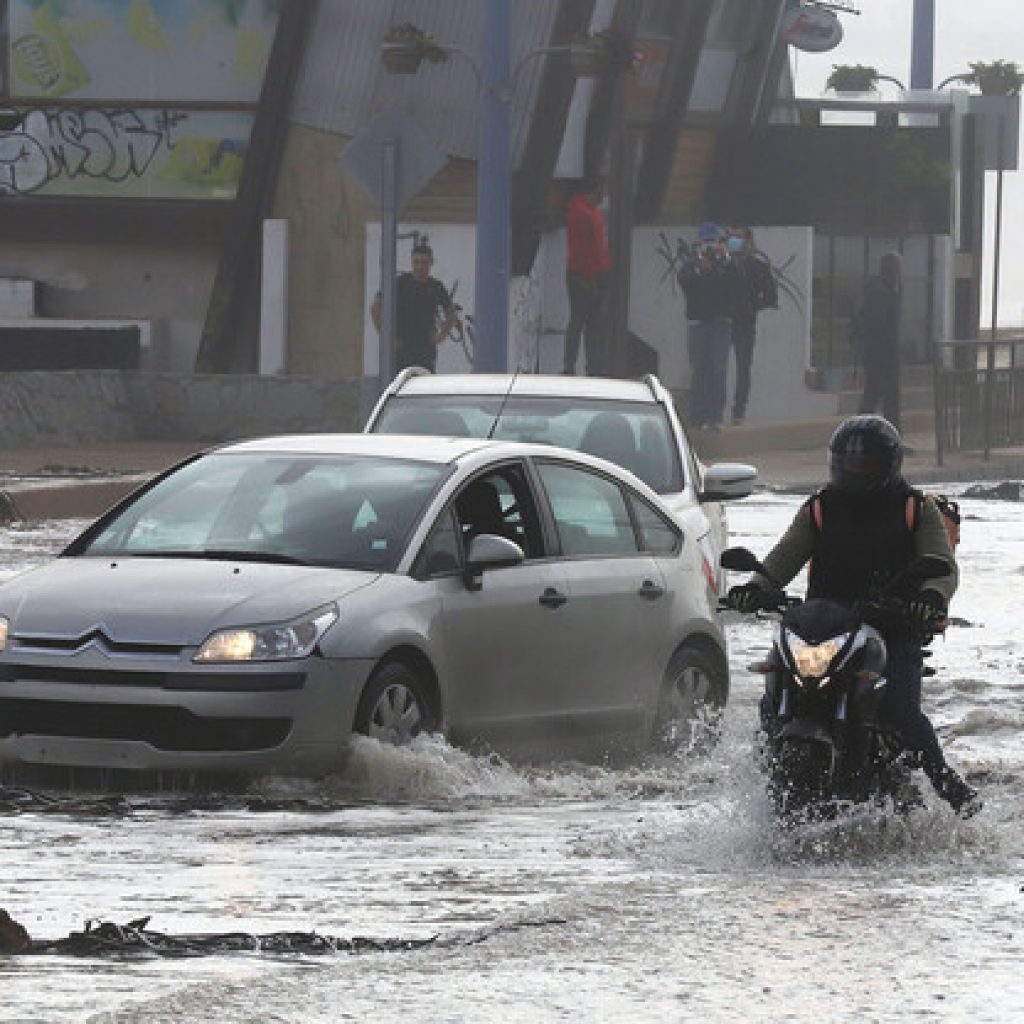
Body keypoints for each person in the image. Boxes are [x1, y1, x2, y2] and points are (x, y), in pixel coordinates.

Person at [727, 414, 981, 817]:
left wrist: (930, 599)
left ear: (888, 465)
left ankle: (946, 782)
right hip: (823, 626)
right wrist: (755, 588)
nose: (855, 470)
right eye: (848, 463)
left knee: (901, 709)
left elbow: (941, 564)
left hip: (892, 626)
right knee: (774, 690)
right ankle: (760, 780)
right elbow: (783, 557)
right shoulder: (820, 508)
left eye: (864, 464)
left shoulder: (915, 508)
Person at [678, 222, 737, 430]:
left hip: (721, 324)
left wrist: (724, 259)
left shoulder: (727, 265)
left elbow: (735, 283)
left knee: (718, 370)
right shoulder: (691, 264)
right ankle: (697, 416)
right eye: (706, 243)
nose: (710, 247)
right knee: (699, 369)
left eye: (714, 243)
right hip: (698, 324)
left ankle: (715, 416)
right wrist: (700, 268)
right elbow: (685, 282)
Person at [371, 241, 459, 374]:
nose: (420, 266)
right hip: (400, 350)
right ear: (411, 263)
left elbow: (451, 314)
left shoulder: (436, 286)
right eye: (416, 262)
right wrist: (386, 336)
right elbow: (375, 307)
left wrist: (441, 336)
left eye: (424, 262)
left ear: (431, 263)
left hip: (425, 351)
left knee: (425, 389)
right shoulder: (400, 283)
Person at [726, 227, 778, 425]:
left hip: (745, 323)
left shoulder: (757, 266)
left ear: (748, 240)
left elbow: (771, 296)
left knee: (743, 367)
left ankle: (739, 409)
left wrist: (751, 306)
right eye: (732, 237)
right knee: (715, 366)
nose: (735, 241)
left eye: (739, 238)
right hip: (722, 321)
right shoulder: (724, 263)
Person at [563, 176, 612, 376]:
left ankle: (572, 365)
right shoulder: (587, 215)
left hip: (584, 272)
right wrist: (593, 278)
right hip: (587, 274)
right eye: (601, 193)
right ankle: (589, 366)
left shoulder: (582, 211)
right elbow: (588, 250)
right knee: (588, 323)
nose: (603, 197)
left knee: (580, 321)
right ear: (594, 192)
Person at [853, 251, 903, 430]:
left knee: (882, 398)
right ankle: (857, 434)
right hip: (881, 355)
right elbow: (880, 326)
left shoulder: (880, 290)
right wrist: (891, 350)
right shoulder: (880, 292)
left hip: (879, 354)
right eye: (898, 269)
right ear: (893, 270)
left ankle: (890, 437)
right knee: (876, 398)